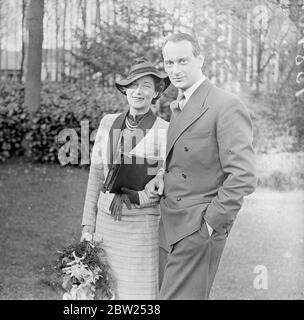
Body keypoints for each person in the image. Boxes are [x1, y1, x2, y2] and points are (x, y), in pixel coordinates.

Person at [146, 32, 258, 299]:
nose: (175, 70)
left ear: (201, 60)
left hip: (197, 229)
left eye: (182, 61)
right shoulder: (179, 105)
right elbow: (187, 160)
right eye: (169, 63)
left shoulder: (225, 105)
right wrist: (162, 175)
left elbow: (243, 176)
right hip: (171, 226)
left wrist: (210, 224)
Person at [80, 58, 170, 299]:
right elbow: (96, 176)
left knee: (136, 295)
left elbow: (165, 180)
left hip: (141, 229)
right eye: (132, 85)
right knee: (104, 292)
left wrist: (140, 196)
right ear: (125, 90)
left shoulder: (165, 130)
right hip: (106, 228)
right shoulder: (108, 122)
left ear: (156, 92)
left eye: (146, 85)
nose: (138, 91)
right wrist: (88, 226)